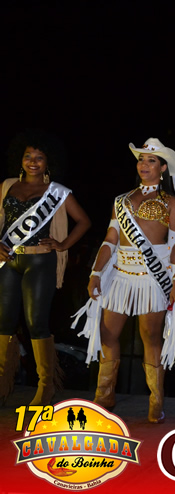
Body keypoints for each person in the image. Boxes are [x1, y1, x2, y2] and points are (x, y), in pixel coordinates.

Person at [74, 137, 175, 424]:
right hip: (120, 275)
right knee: (108, 334)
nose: (144, 165)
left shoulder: (173, 204)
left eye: (151, 160)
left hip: (153, 279)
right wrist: (96, 272)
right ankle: (104, 396)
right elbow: (110, 239)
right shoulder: (121, 201)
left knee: (151, 337)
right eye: (141, 160)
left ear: (163, 167)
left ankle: (156, 401)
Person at [0, 130, 91, 406]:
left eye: (39, 157)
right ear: (19, 158)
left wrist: (62, 245)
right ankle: (3, 382)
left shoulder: (57, 192)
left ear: (49, 161)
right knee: (3, 321)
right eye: (28, 156)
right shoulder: (7, 185)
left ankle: (45, 386)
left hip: (40, 261)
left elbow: (84, 221)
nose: (33, 161)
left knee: (36, 322)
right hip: (9, 261)